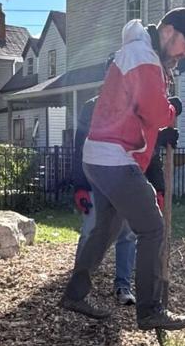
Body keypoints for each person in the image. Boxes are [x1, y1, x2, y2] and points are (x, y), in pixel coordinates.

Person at [59, 7, 185, 331]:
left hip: (99, 155)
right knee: (152, 228)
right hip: (114, 158)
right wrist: (171, 110)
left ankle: (75, 293)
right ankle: (151, 310)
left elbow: (134, 111)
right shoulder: (144, 56)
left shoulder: (138, 53)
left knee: (106, 229)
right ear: (167, 31)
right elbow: (154, 113)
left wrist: (162, 129)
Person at [71, 95, 170, 306]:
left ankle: (122, 285)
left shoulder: (138, 104)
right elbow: (80, 147)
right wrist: (79, 185)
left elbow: (149, 150)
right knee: (92, 230)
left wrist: (158, 187)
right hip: (99, 178)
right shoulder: (93, 106)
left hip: (128, 176)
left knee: (127, 234)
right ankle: (78, 286)